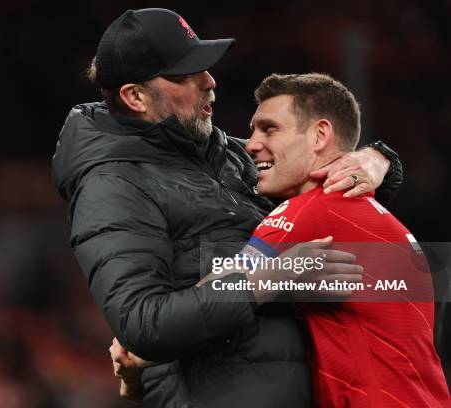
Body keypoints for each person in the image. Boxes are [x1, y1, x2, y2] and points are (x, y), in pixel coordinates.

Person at [52, 8, 402, 407]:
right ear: (135, 97)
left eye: (204, 67)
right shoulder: (111, 185)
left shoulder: (231, 153)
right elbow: (143, 324)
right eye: (186, 76)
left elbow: (326, 199)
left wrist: (378, 161)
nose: (209, 81)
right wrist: (267, 278)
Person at [241, 73, 450, 406]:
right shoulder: (373, 216)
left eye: (269, 129)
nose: (251, 143)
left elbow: (218, 291)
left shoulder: (307, 213)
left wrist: (139, 352)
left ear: (320, 135)